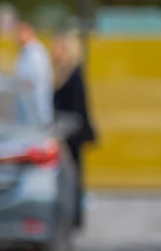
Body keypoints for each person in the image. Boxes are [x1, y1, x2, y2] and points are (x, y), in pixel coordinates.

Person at [52, 31, 97, 228]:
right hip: (68, 131)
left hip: (72, 133)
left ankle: (75, 217)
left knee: (74, 176)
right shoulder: (63, 72)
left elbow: (78, 108)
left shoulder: (73, 74)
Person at [14, 21, 54, 126]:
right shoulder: (27, 51)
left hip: (35, 109)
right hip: (28, 108)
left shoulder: (35, 53)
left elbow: (32, 81)